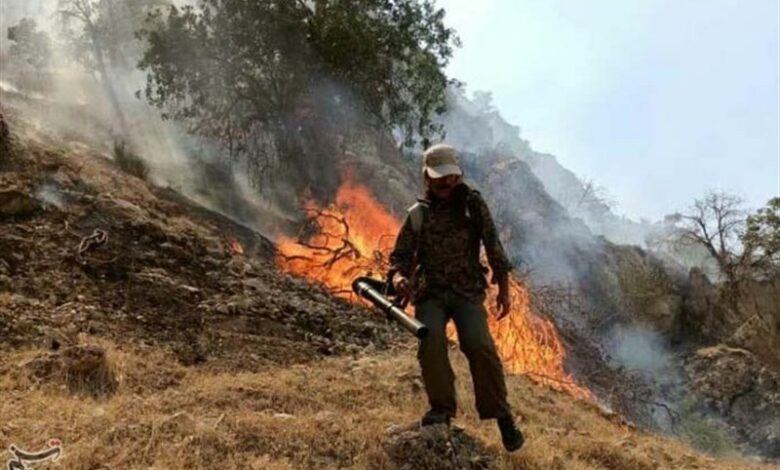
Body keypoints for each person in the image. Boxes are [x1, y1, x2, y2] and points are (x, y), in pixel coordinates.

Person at [388, 143, 524, 452]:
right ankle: (441, 411)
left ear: (457, 175)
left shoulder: (472, 204)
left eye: (450, 177)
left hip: (466, 290)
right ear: (427, 178)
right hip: (431, 292)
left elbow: (493, 244)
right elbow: (400, 257)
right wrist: (398, 279)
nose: (446, 184)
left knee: (479, 345)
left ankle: (502, 416)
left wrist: (503, 287)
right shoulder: (418, 215)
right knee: (430, 342)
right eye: (439, 178)